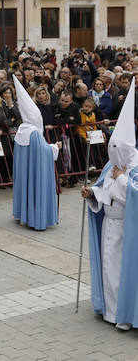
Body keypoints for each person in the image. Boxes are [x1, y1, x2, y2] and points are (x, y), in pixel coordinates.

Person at [83, 79, 138, 331]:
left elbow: (133, 195)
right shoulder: (111, 165)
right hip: (109, 222)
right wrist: (91, 193)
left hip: (127, 227)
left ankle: (122, 314)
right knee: (108, 268)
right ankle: (109, 309)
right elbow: (104, 188)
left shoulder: (133, 168)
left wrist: (123, 178)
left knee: (121, 271)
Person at [11, 76, 59, 231]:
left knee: (26, 186)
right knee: (36, 189)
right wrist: (55, 147)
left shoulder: (22, 130)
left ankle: (24, 213)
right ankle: (37, 218)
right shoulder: (34, 133)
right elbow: (44, 152)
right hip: (37, 171)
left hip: (26, 171)